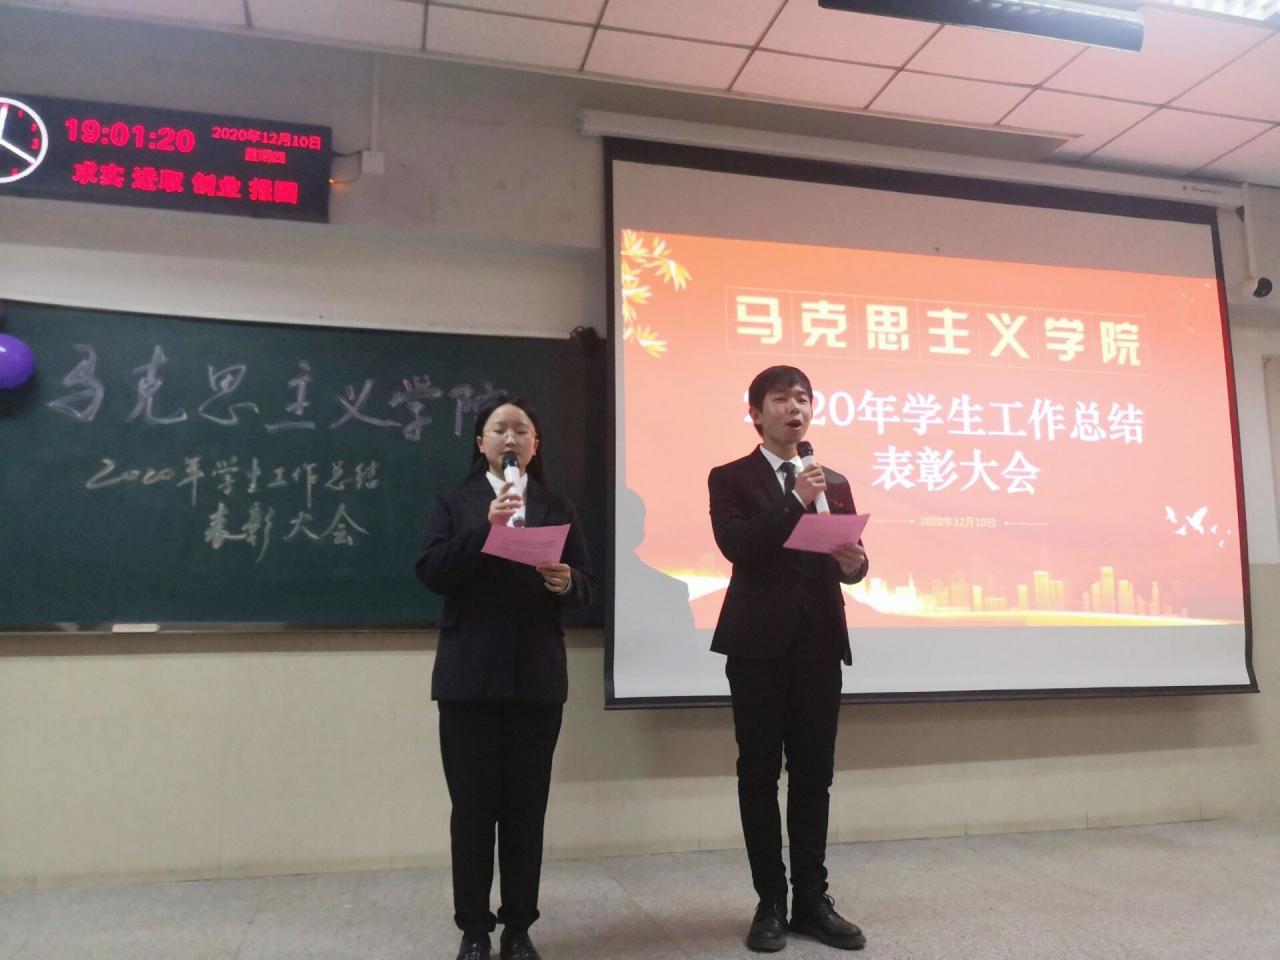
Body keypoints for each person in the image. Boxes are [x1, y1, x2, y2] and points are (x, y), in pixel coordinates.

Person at [416, 395, 595, 960]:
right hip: (468, 677)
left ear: (535, 445)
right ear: (481, 443)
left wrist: (567, 581)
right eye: (499, 429)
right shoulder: (455, 502)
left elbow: (587, 584)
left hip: (536, 677)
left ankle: (519, 927)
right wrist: (486, 531)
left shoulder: (556, 506)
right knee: (472, 811)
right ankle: (474, 928)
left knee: (525, 812)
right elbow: (431, 571)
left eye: (522, 430)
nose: (511, 438)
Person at [707, 365, 870, 953]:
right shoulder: (730, 478)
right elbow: (739, 547)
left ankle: (812, 901)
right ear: (756, 413)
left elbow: (852, 559)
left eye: (803, 398)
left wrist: (856, 564)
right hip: (757, 648)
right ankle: (770, 902)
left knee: (814, 775)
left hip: (819, 644)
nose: (794, 408)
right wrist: (793, 500)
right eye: (781, 399)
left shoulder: (835, 481)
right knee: (758, 773)